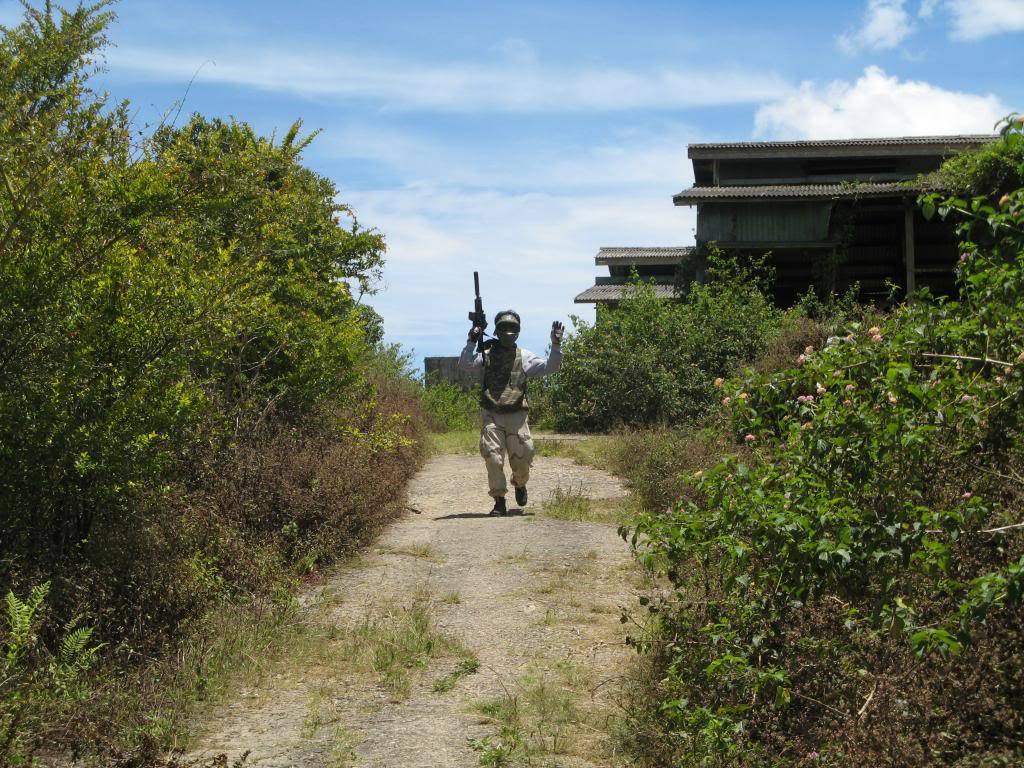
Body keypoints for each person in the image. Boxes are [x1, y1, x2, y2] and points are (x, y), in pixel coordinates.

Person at [458, 310, 564, 515]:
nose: (508, 332)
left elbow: (551, 367)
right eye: (504, 328)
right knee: (493, 458)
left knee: (525, 456)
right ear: (496, 331)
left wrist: (556, 344)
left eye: (512, 328)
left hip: (516, 415)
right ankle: (499, 500)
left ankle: (520, 483)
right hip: (492, 414)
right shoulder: (486, 354)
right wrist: (471, 339)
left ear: (518, 331)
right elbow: (464, 364)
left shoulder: (524, 356)